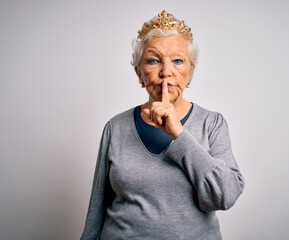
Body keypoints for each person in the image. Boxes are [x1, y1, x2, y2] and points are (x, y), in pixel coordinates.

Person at [81, 10, 244, 240]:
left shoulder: (212, 123)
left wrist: (178, 133)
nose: (166, 72)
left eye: (178, 61)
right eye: (153, 60)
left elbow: (224, 195)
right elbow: (97, 209)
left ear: (191, 73)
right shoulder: (115, 128)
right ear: (139, 72)